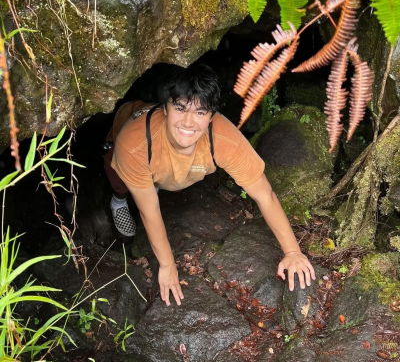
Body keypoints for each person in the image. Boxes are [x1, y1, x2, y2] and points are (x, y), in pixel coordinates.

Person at [104, 64, 316, 306]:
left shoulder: (223, 138)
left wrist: (292, 252)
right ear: (165, 107)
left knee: (167, 178)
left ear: (212, 115)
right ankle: (117, 202)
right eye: (180, 108)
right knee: (120, 181)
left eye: (200, 112)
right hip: (128, 123)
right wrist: (167, 265)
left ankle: (157, 181)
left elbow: (264, 195)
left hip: (168, 166)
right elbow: (149, 210)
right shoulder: (134, 143)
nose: (188, 122)